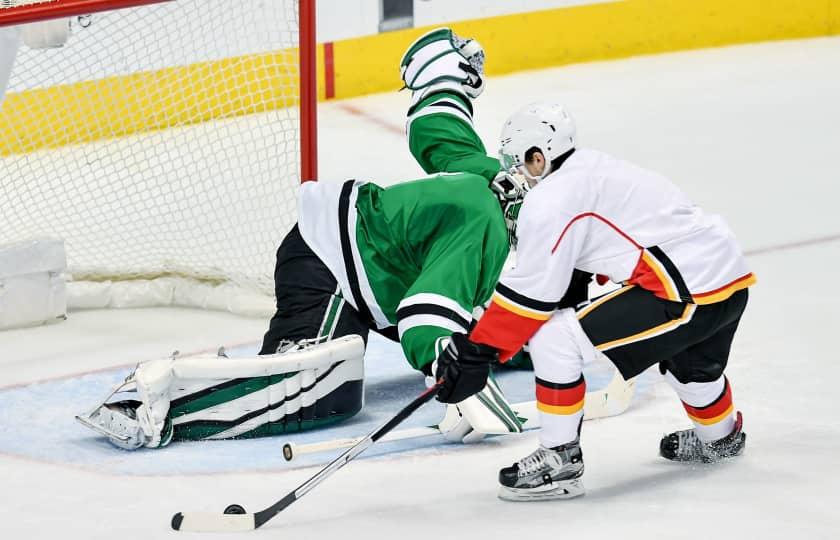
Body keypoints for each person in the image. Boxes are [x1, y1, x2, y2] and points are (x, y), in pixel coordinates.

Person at [77, 29, 529, 450]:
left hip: (363, 271)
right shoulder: (487, 221)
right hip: (329, 264)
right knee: (319, 390)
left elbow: (440, 133)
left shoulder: (494, 179)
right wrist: (441, 357)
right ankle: (153, 398)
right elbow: (425, 311)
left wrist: (443, 77)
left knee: (483, 336)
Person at [433, 101, 756, 501]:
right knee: (690, 366)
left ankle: (559, 461)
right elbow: (579, 266)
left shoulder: (551, 198)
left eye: (519, 163)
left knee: (554, 339)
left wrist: (477, 349)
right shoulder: (595, 167)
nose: (518, 174)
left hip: (683, 290)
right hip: (726, 276)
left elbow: (533, 295)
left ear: (539, 157)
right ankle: (720, 439)